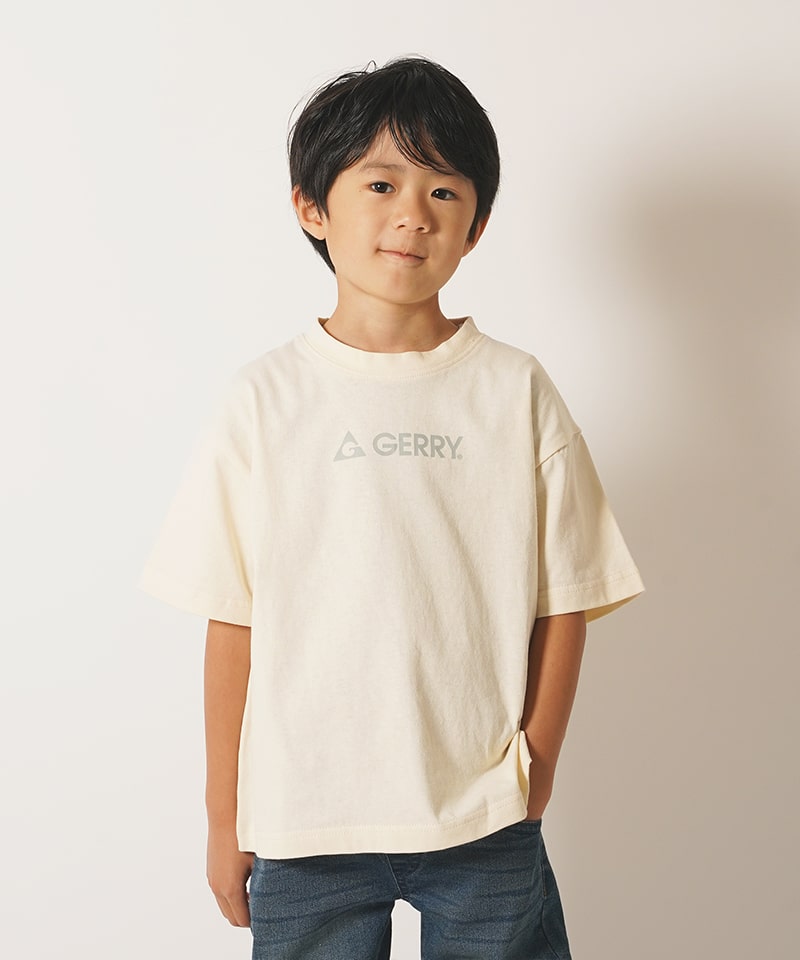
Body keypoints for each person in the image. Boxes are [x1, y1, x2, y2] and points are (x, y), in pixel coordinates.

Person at [140, 56, 644, 960]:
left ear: (475, 228)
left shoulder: (515, 391)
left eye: (444, 191)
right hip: (306, 817)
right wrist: (225, 817)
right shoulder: (264, 400)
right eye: (381, 183)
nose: (414, 213)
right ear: (312, 207)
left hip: (482, 812)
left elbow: (567, 596)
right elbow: (232, 618)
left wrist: (536, 768)